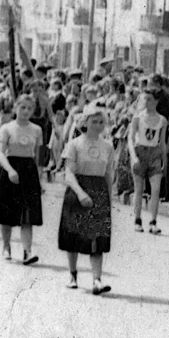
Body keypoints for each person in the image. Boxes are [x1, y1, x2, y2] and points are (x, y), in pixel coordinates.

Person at [59, 106, 116, 295]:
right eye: (94, 121)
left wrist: (109, 199)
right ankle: (73, 275)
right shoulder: (75, 144)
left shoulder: (107, 146)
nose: (98, 125)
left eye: (101, 122)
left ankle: (97, 280)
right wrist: (80, 193)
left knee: (97, 238)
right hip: (78, 189)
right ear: (85, 122)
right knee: (73, 234)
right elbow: (68, 173)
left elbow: (108, 174)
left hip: (98, 191)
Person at [0, 94, 44, 264]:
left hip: (28, 172)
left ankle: (27, 251)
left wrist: (39, 177)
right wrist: (10, 170)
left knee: (27, 215)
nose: (25, 111)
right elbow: (0, 153)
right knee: (7, 212)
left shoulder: (37, 130)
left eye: (29, 108)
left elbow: (39, 156)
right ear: (15, 107)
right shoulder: (7, 128)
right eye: (22, 107)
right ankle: (6, 246)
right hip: (10, 169)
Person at [129, 88, 168, 234]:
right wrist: (133, 157)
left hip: (154, 154)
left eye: (149, 99)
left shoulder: (162, 120)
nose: (146, 102)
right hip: (140, 152)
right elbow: (131, 138)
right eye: (144, 99)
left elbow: (162, 142)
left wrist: (164, 160)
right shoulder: (138, 118)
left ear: (156, 101)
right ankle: (137, 219)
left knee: (155, 190)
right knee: (139, 189)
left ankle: (153, 221)